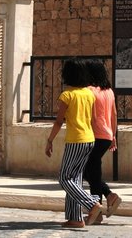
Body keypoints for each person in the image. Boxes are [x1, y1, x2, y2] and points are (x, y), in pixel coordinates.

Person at [45, 59, 103, 228]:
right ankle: (75, 219)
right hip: (89, 139)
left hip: (75, 141)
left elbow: (58, 122)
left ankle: (91, 204)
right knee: (75, 179)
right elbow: (92, 119)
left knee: (64, 179)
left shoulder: (67, 95)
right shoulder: (89, 94)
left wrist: (49, 141)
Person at [83, 59, 122, 219]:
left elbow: (89, 116)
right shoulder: (109, 91)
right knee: (93, 169)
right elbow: (114, 115)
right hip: (106, 136)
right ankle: (104, 200)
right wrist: (113, 136)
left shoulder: (89, 91)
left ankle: (101, 203)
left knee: (86, 171)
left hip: (94, 134)